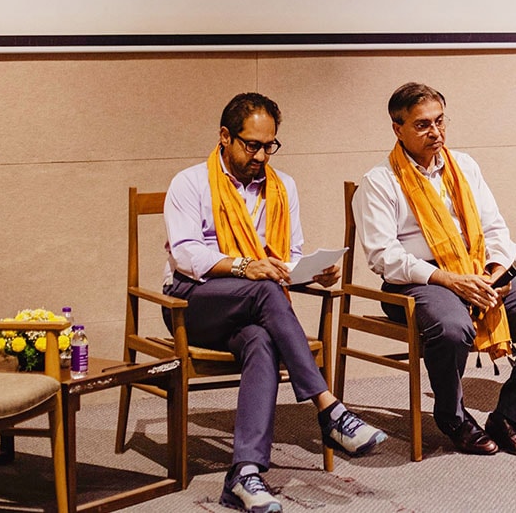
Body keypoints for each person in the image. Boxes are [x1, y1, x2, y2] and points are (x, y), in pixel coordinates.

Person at [164, 93, 385, 513]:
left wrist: (310, 271)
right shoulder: (189, 182)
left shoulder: (283, 189)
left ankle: (244, 474)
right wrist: (248, 265)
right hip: (191, 302)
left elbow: (287, 256)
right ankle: (328, 408)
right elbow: (187, 255)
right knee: (264, 288)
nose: (262, 156)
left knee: (263, 342)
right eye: (252, 145)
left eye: (270, 146)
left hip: (251, 306)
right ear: (225, 137)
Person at [354, 82, 516, 457]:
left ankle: (508, 416)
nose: (435, 132)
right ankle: (452, 416)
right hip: (416, 282)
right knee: (454, 326)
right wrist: (447, 278)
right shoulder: (379, 181)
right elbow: (383, 256)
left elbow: (495, 229)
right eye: (423, 125)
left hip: (477, 272)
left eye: (440, 121)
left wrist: (493, 272)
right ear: (398, 129)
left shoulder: (465, 166)